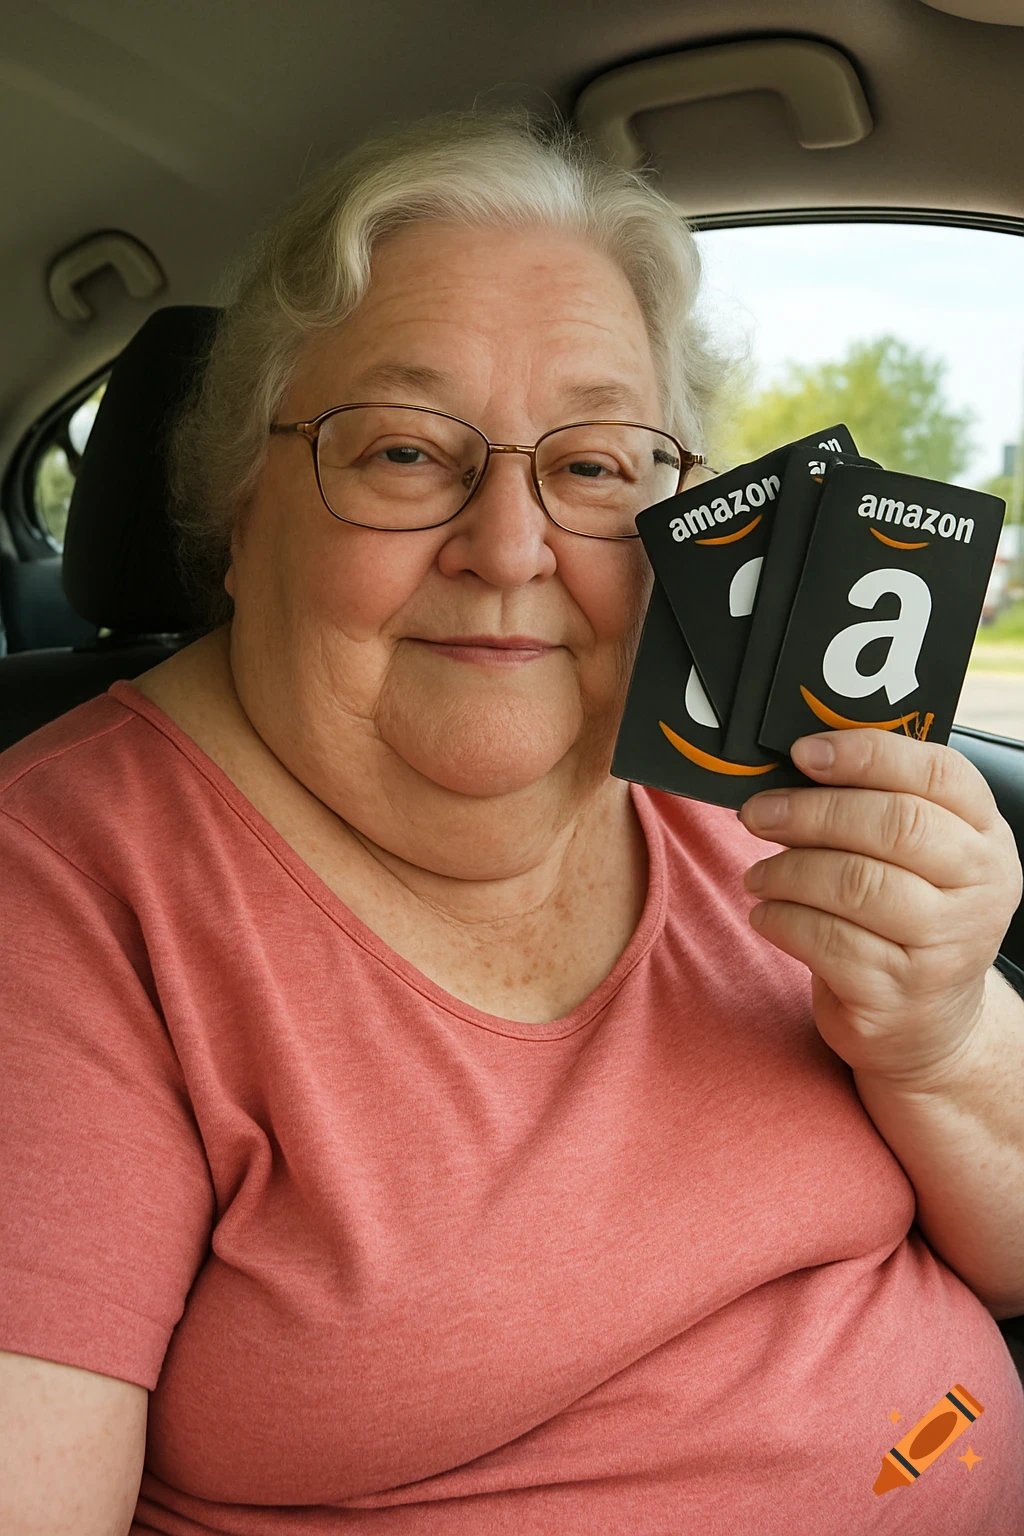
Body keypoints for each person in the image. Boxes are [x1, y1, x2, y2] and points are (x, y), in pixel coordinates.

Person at [1, 109, 1023, 1536]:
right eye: (408, 453)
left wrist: (946, 1031)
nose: (510, 545)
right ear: (242, 509)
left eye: (598, 466)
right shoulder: (57, 895)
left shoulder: (747, 769)